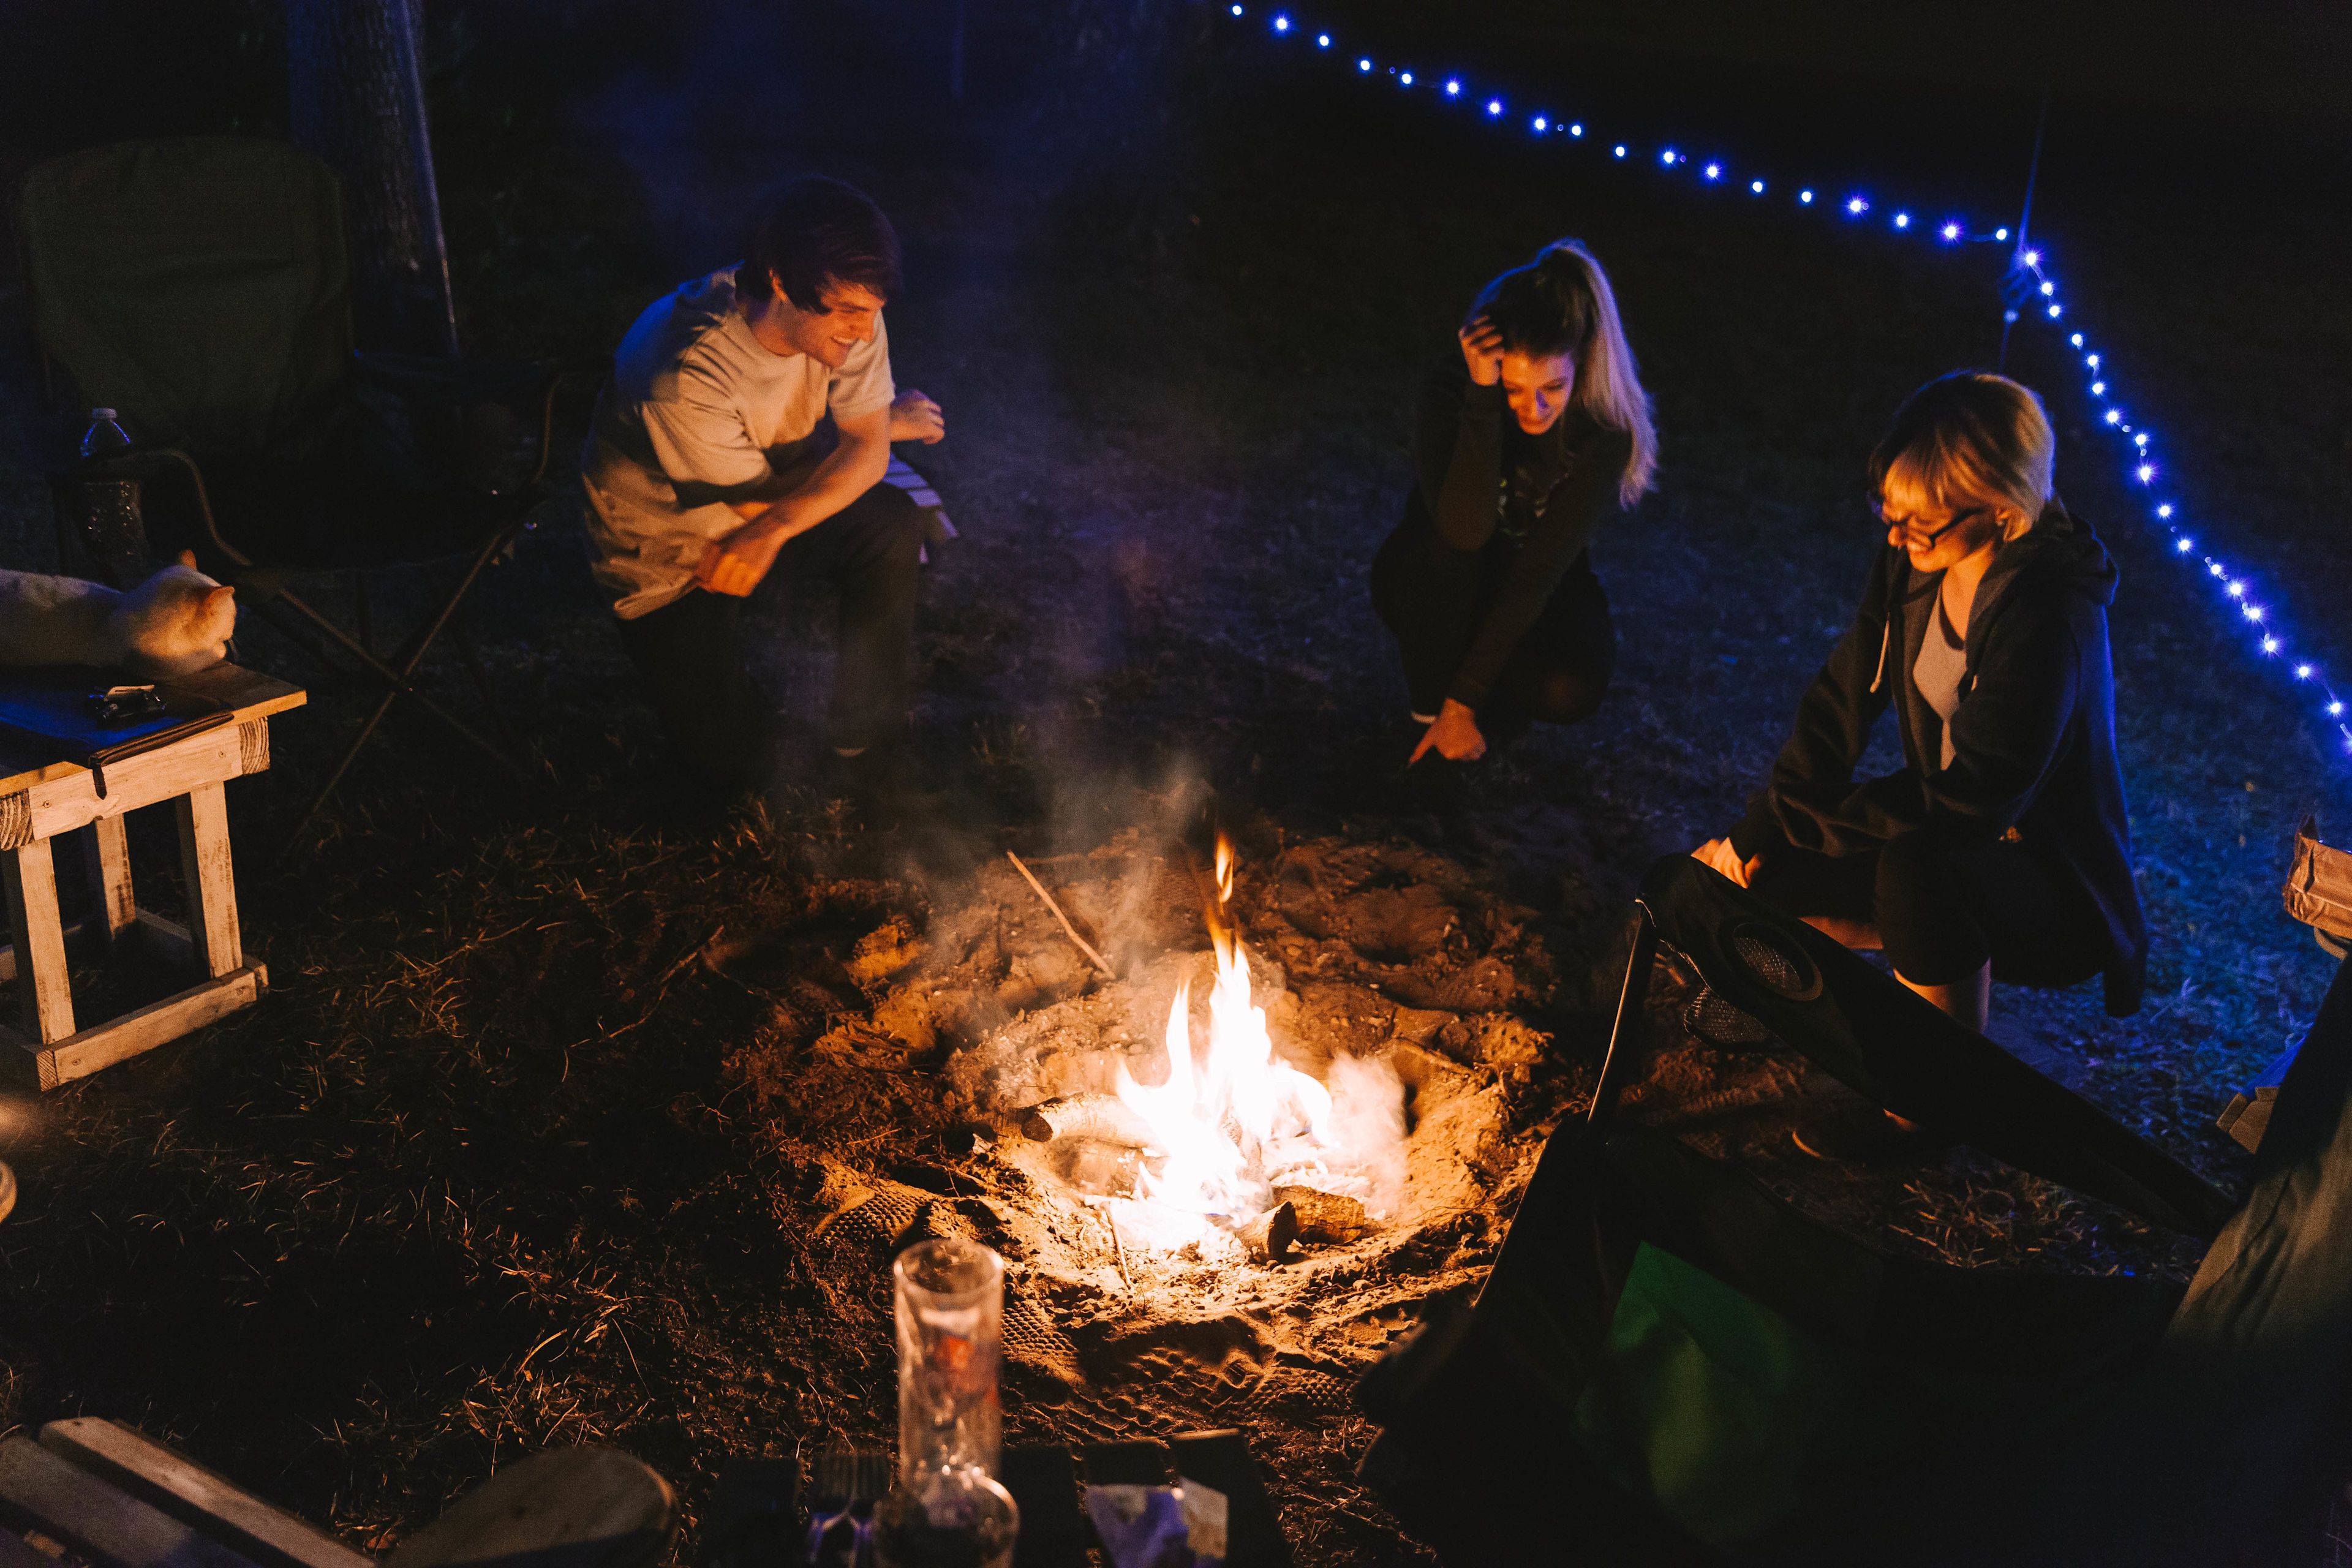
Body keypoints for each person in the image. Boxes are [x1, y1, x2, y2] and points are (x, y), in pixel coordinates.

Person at [1692, 372, 2145, 1136]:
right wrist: (1760, 829)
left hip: (2049, 885)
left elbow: (1969, 802)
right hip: (1949, 840)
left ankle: (1926, 1107)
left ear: (2001, 511)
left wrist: (1811, 820)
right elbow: (1841, 698)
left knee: (1916, 869)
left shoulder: (2048, 620)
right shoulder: (1913, 560)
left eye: (1920, 523)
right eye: (1889, 513)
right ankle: (1879, 997)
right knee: (1771, 877)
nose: (1898, 537)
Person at [581, 175, 946, 801]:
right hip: (672, 554)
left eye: (873, 311)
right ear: (780, 281)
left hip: (767, 517)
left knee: (892, 521)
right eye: (850, 312)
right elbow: (756, 501)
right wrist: (873, 437)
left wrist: (870, 438)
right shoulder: (683, 370)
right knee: (738, 780)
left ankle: (862, 746)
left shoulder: (853, 308)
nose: (864, 332)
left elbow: (863, 453)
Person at [1370, 238, 1657, 774]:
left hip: (1533, 579)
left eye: (1554, 386)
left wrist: (1464, 702)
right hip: (1432, 571)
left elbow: (1538, 573)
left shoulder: (1603, 432)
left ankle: (1479, 711)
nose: (1535, 409)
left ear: (1581, 366)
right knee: (1453, 557)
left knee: (1568, 687)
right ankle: (1425, 723)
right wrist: (1483, 397)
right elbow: (1463, 531)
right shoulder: (1452, 389)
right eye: (1515, 389)